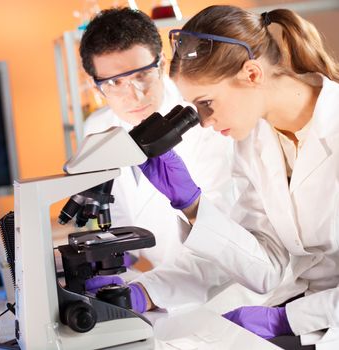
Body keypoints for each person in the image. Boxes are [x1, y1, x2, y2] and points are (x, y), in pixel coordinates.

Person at [127, 5, 339, 349]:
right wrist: (192, 205)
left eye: (207, 102)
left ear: (252, 74)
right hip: (307, 322)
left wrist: (289, 319)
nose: (205, 121)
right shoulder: (256, 140)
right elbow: (266, 263)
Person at [79, 7, 234, 268]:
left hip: (220, 286)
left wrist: (151, 292)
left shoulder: (206, 118)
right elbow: (116, 212)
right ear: (96, 85)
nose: (135, 95)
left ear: (162, 64)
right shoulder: (98, 127)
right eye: (115, 83)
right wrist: (113, 261)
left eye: (142, 75)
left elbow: (226, 231)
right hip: (154, 283)